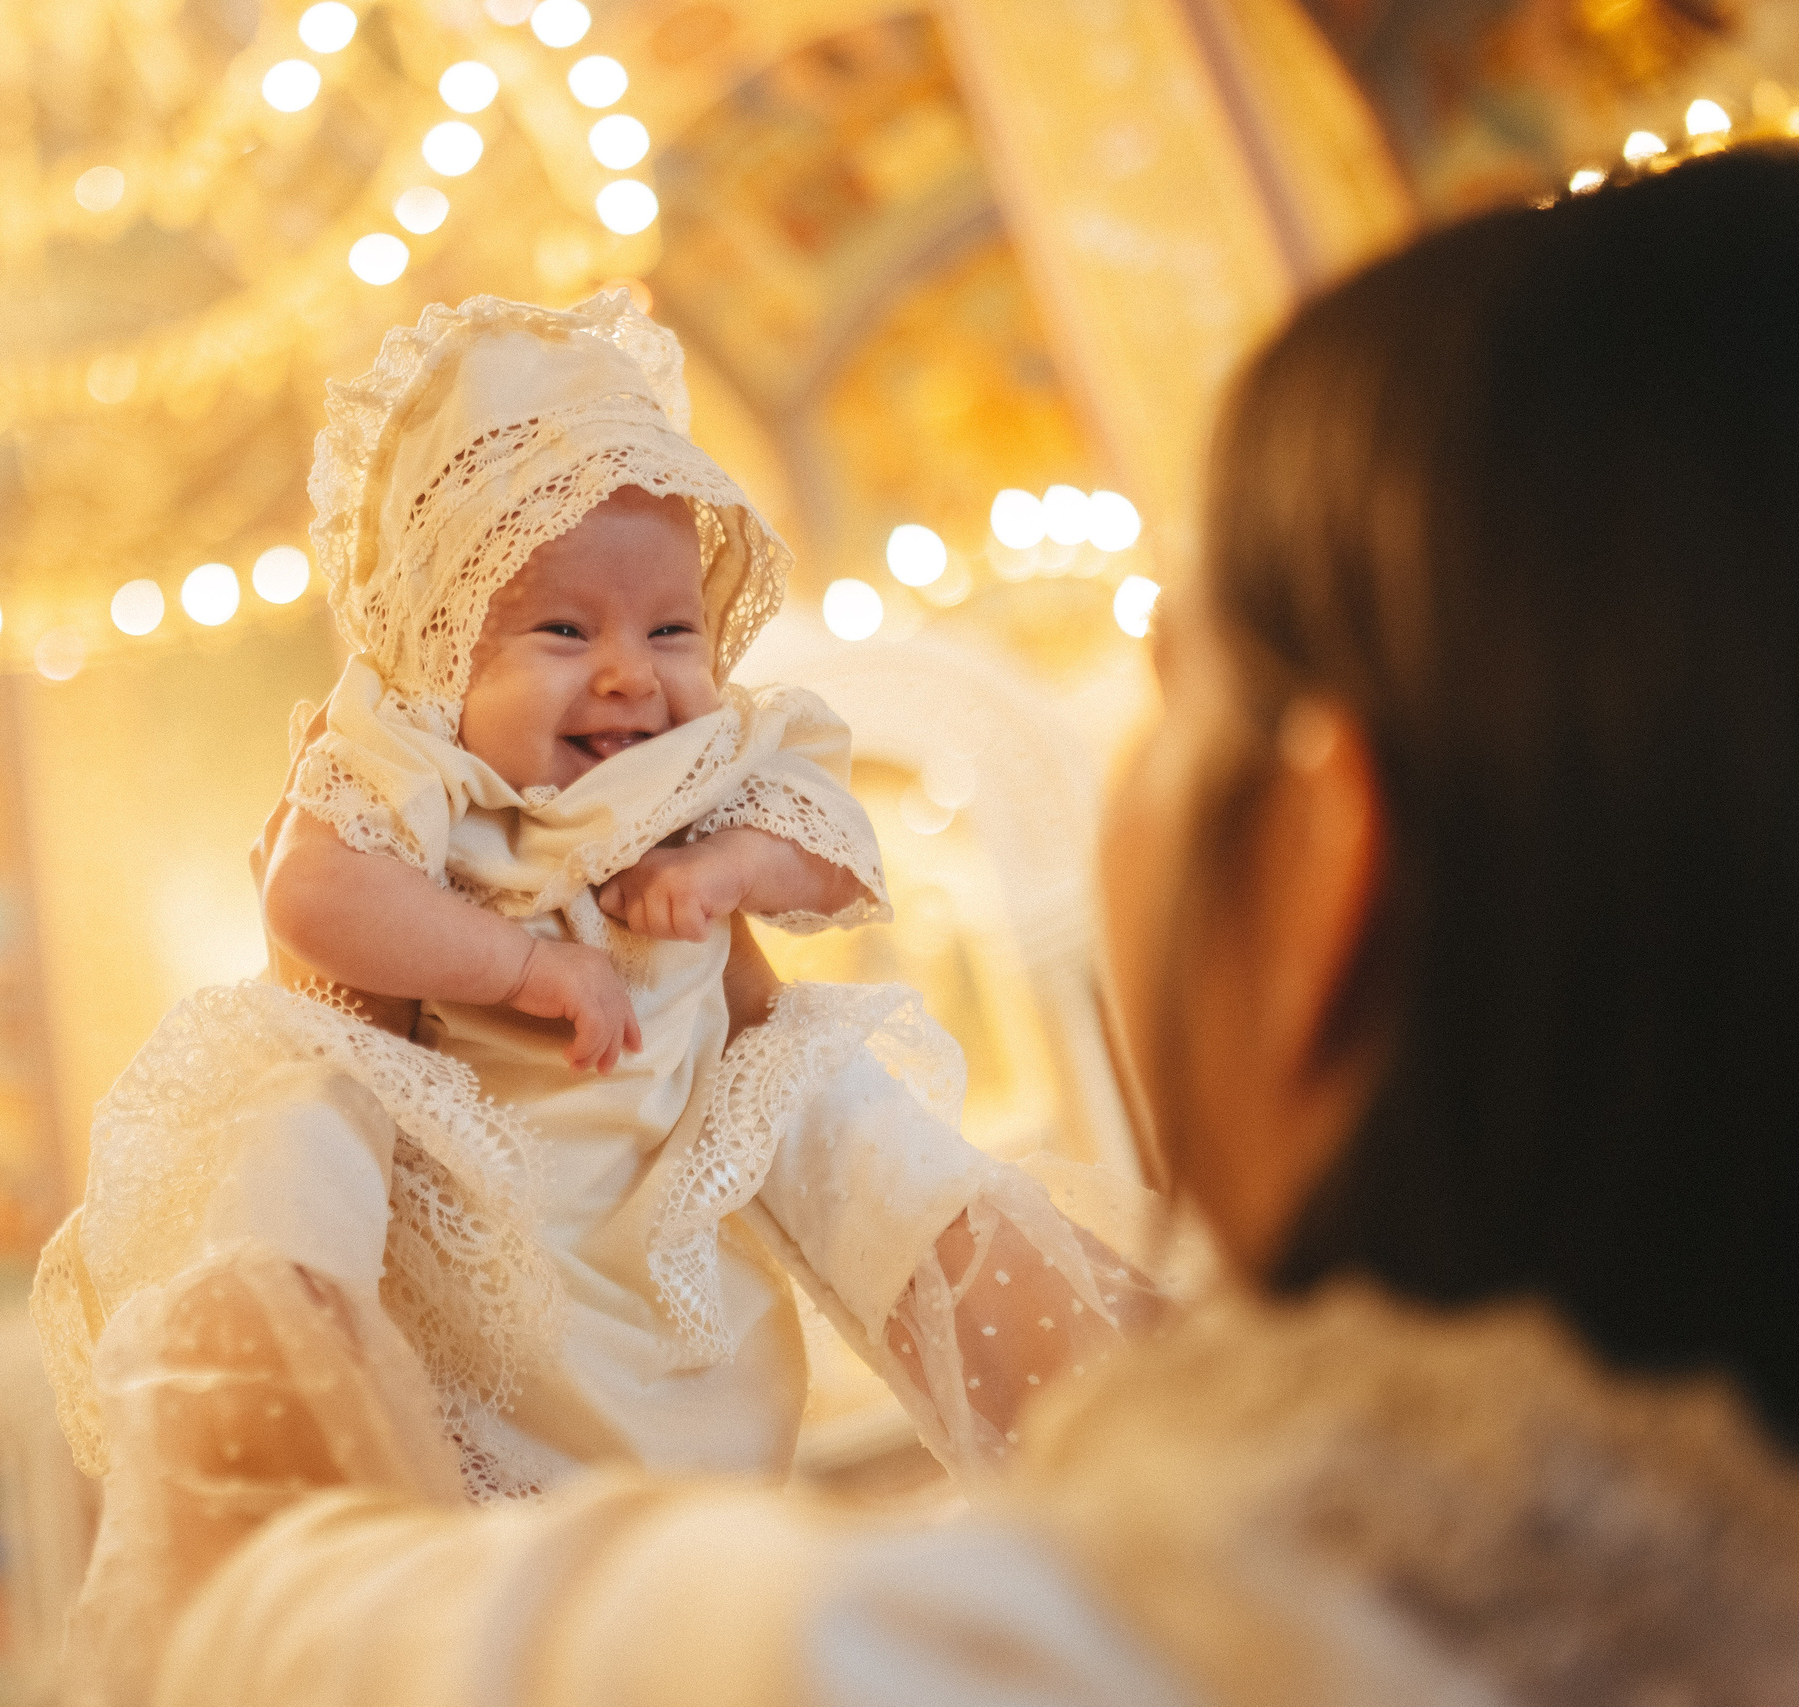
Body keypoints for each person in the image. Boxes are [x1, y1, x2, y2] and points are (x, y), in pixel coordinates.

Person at [119, 147, 1799, 1705]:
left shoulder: (893, 1661)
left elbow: (256, 1627)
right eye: (560, 631)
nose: (628, 678)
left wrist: (299, 1101)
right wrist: (776, 1071)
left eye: (1168, 687)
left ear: (1323, 870)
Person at [32, 291, 1164, 1700]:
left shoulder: (713, 766)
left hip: (685, 1304)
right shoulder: (415, 767)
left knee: (725, 1551)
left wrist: (732, 868)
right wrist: (522, 964)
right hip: (493, 1303)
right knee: (322, 1177)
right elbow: (312, 898)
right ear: (441, 650)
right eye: (564, 630)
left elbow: (839, 849)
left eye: (673, 628)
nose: (632, 675)